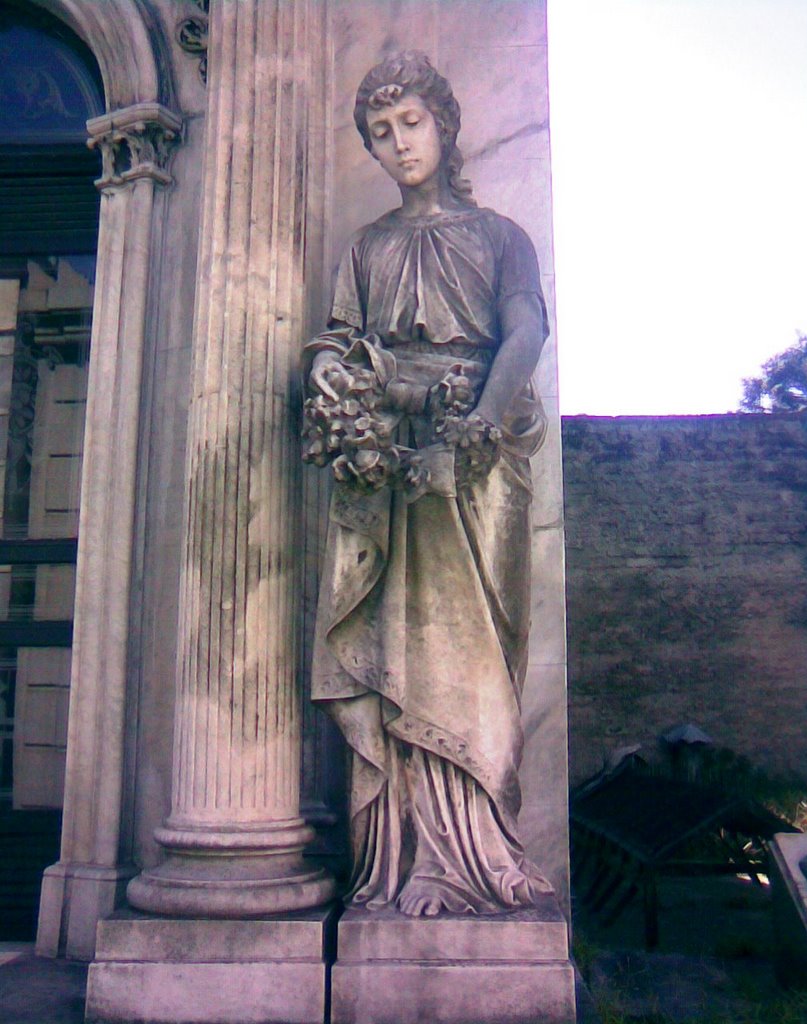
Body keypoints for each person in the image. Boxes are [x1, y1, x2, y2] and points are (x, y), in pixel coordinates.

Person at [304, 51, 552, 917]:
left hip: (474, 461)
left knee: (477, 655)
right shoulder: (366, 248)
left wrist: (477, 425)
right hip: (386, 465)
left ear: (444, 128)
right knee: (392, 656)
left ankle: (484, 856)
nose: (397, 143)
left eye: (410, 123)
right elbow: (335, 341)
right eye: (379, 132)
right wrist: (333, 376)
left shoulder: (498, 238)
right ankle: (405, 863)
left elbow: (525, 329)